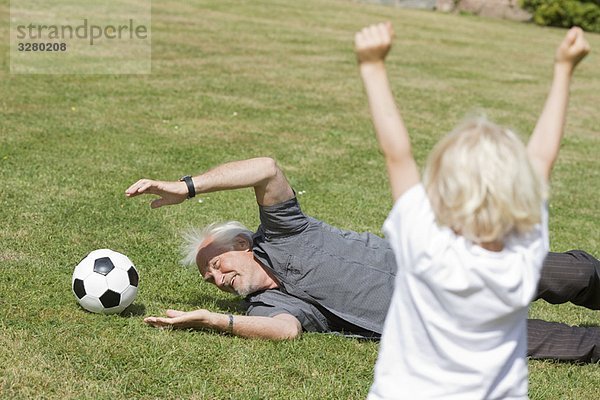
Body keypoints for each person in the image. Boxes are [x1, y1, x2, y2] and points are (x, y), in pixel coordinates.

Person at [355, 22, 590, 399]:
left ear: (442, 193)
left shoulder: (425, 245)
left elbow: (396, 153)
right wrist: (564, 70)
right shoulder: (523, 253)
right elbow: (542, 157)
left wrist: (372, 65)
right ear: (521, 193)